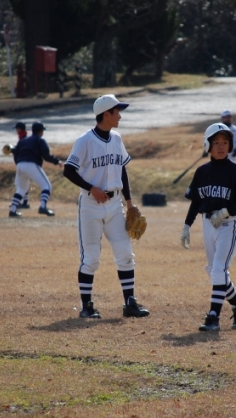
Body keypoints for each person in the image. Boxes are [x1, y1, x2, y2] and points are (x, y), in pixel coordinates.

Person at [63, 94, 150, 319]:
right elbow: (68, 170)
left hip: (115, 205)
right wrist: (91, 188)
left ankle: (130, 303)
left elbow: (122, 170)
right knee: (91, 258)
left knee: (125, 254)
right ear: (106, 114)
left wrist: (129, 203)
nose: (120, 116)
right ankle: (87, 306)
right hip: (90, 205)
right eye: (117, 111)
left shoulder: (117, 139)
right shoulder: (85, 141)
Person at [180, 123, 236, 332]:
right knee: (215, 271)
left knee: (218, 269)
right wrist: (187, 225)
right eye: (216, 142)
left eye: (225, 142)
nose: (221, 146)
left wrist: (225, 212)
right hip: (207, 224)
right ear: (208, 145)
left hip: (228, 224)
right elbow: (196, 201)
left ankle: (213, 316)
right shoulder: (202, 171)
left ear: (230, 145)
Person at [8, 121, 63, 218]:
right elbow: (46, 156)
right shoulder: (40, 140)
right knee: (46, 186)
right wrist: (57, 161)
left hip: (20, 165)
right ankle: (43, 207)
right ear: (40, 131)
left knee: (22, 189)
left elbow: (16, 154)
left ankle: (12, 210)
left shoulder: (23, 140)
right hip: (31, 164)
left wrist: (19, 165)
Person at [13, 122, 31, 209]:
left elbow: (22, 151)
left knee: (20, 184)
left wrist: (13, 150)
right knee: (22, 184)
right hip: (24, 164)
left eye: (17, 129)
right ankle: (24, 202)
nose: (16, 130)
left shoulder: (23, 138)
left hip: (24, 164)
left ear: (19, 129)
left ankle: (23, 202)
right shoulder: (23, 138)